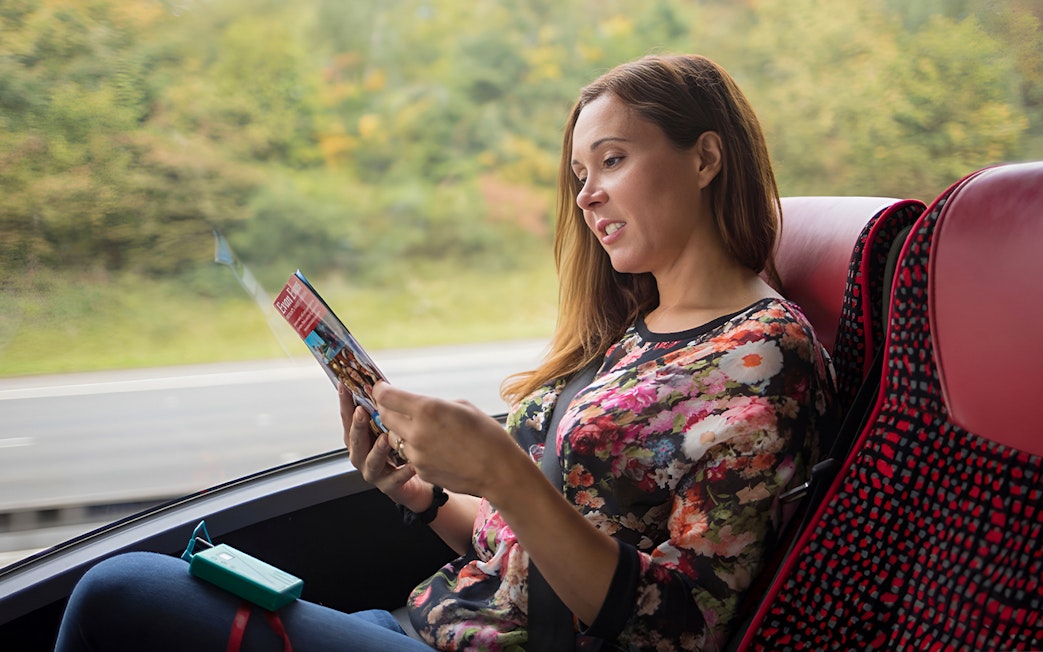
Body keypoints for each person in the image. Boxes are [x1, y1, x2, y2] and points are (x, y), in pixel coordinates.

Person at [54, 53, 836, 652]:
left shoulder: (765, 360)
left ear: (703, 159)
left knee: (117, 591)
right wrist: (423, 494)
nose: (586, 194)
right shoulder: (632, 329)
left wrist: (501, 468)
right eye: (577, 173)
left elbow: (680, 626)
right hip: (425, 622)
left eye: (612, 160)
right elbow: (522, 553)